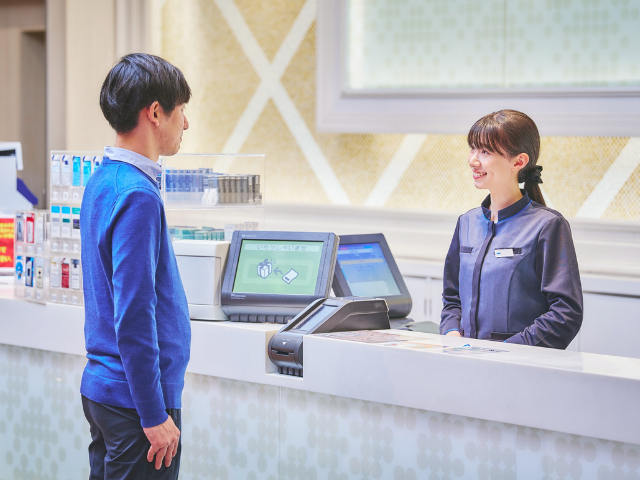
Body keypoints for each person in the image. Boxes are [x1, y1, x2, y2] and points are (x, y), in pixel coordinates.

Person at [80, 53, 191, 479]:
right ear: (156, 112)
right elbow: (134, 315)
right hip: (136, 404)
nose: (186, 124)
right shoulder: (138, 195)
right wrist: (153, 413)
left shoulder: (103, 179)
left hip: (108, 392)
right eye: (181, 111)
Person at [439, 109, 583, 348]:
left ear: (518, 162)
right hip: (464, 358)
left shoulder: (548, 226)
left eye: (485, 151)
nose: (473, 160)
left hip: (517, 363)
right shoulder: (466, 223)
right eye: (473, 149)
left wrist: (508, 350)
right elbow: (452, 298)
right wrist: (451, 332)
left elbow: (565, 314)